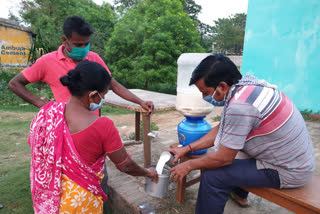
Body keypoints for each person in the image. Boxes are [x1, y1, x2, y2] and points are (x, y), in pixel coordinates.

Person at [168, 54, 315, 214]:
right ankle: (239, 193)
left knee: (213, 176)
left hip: (289, 170)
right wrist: (187, 148)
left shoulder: (239, 106)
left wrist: (189, 165)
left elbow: (224, 159)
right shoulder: (249, 87)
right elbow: (224, 128)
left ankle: (232, 193)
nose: (204, 97)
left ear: (222, 86)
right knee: (233, 149)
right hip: (297, 159)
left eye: (206, 92)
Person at [28, 61, 158, 214]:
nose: (104, 99)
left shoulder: (49, 115)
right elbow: (125, 165)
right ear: (94, 95)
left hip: (50, 199)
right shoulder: (102, 126)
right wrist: (148, 172)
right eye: (104, 94)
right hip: (79, 202)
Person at [8, 16, 154, 115]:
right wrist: (43, 105)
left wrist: (140, 101)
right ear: (65, 41)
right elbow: (15, 84)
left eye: (86, 44)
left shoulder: (94, 58)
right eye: (78, 44)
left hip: (93, 123)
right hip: (66, 127)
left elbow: (113, 84)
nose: (83, 48)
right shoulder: (47, 61)